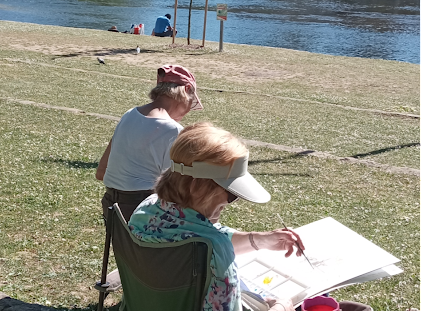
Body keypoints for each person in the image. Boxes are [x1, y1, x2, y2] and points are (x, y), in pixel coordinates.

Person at [129, 122, 305, 311]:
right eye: (231, 193)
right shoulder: (215, 251)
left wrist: (258, 240)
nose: (232, 202)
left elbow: (201, 233)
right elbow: (210, 244)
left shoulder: (146, 210)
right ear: (197, 187)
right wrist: (280, 308)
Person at [96, 65, 203, 221]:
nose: (188, 111)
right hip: (143, 213)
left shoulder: (129, 114)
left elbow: (101, 172)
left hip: (111, 209)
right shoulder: (173, 130)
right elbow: (175, 191)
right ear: (186, 90)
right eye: (191, 104)